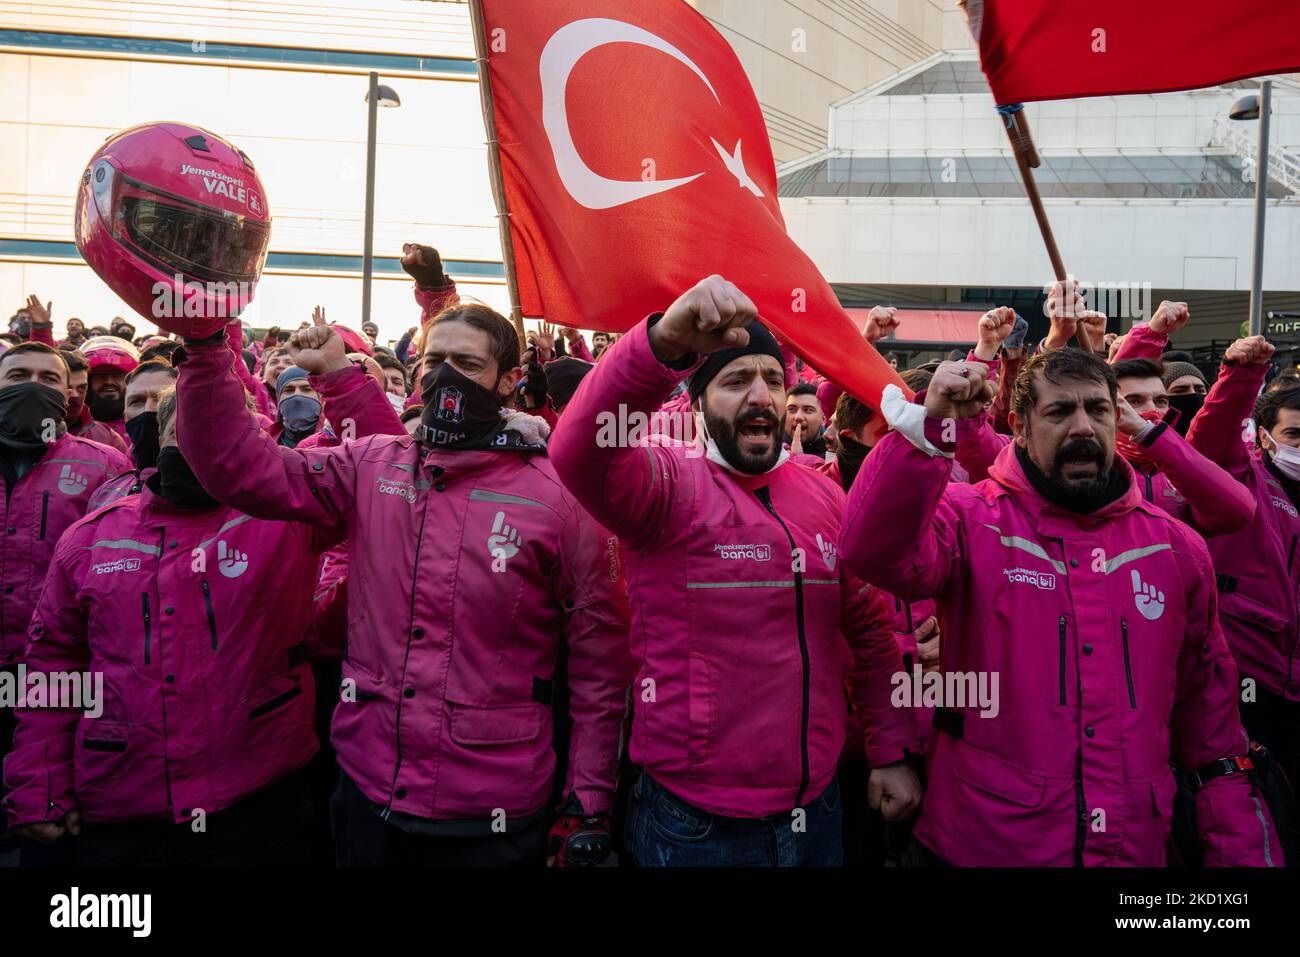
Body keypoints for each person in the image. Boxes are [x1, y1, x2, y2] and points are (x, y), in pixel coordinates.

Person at [173, 302, 632, 867]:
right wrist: (203, 344)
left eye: (466, 362)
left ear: (509, 381)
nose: (444, 376)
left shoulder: (560, 497)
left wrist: (588, 804)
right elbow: (237, 466)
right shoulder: (372, 465)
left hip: (492, 815)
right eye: (434, 360)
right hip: (367, 794)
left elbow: (600, 666)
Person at [841, 348, 1279, 866]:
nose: (1082, 428)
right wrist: (929, 428)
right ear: (1020, 427)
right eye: (1058, 412)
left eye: (1097, 410)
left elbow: (1212, 726)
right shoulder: (970, 519)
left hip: (1130, 848)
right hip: (984, 844)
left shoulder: (1176, 548)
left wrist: (1240, 851)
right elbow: (874, 552)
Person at [549, 275, 921, 867]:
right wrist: (662, 344)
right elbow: (576, 450)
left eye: (773, 380)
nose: (760, 395)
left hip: (815, 813)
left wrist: (890, 750)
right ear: (696, 403)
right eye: (736, 380)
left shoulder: (825, 496)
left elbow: (869, 632)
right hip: (691, 827)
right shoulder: (665, 486)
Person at [3, 386, 330, 865]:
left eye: (225, 431)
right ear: (161, 437)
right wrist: (42, 779)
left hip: (257, 800)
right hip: (123, 806)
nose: (206, 444)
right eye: (188, 429)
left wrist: (340, 380)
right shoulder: (91, 537)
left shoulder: (288, 518)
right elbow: (52, 665)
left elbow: (397, 476)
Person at [0, 342, 130, 854]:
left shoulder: (103, 467)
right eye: (17, 375)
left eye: (48, 379)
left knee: (50, 824)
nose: (33, 387)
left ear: (70, 396)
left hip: (63, 677)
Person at [1186, 336, 1300, 795]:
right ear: (1266, 437)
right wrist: (1240, 374)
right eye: (1294, 435)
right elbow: (1207, 444)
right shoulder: (1243, 479)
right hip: (1248, 676)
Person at [85, 360, 178, 511]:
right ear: (125, 416)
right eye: (136, 402)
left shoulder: (214, 487)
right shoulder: (105, 495)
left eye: (161, 399)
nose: (148, 409)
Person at [59, 351, 128, 455]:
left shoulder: (108, 437)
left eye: (82, 388)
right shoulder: (28, 432)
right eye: (67, 387)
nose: (75, 395)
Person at [79, 335, 139, 443]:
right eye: (100, 376)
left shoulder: (143, 422)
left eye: (117, 376)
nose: (109, 382)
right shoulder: (74, 424)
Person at [272, 368, 324, 448]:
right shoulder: (264, 442)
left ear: (320, 398)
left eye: (306, 389)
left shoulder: (336, 438)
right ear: (279, 399)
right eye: (289, 390)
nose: (297, 396)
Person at [784, 382, 827, 459]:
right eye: (791, 409)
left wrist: (799, 460)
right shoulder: (771, 450)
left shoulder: (833, 454)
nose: (798, 417)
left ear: (823, 419)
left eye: (808, 410)